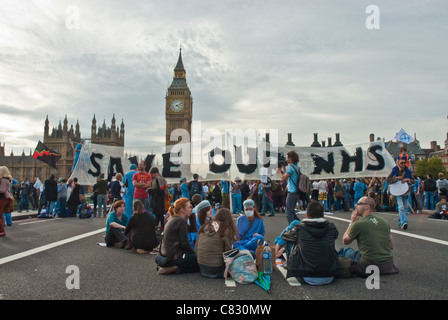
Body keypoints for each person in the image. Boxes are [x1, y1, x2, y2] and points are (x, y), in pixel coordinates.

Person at [281, 201, 339, 285]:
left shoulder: (299, 228)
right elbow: (335, 236)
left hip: (306, 275)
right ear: (323, 215)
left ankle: (291, 267)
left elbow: (284, 236)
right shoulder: (331, 227)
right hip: (329, 275)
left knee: (292, 242)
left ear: (307, 215)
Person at [339, 196, 399, 276]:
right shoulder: (384, 222)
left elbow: (345, 241)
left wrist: (352, 222)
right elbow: (391, 246)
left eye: (359, 204)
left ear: (367, 206)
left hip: (368, 265)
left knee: (345, 250)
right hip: (388, 265)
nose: (356, 205)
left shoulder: (358, 224)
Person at [156, 198, 199, 275]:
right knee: (200, 262)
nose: (191, 209)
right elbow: (185, 243)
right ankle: (175, 268)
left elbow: (192, 229)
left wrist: (191, 215)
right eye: (189, 207)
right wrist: (193, 254)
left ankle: (172, 268)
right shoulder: (180, 221)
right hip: (174, 257)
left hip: (166, 256)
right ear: (182, 209)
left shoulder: (174, 219)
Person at [195, 208, 239, 278]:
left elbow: (196, 248)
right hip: (216, 269)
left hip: (202, 267)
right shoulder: (225, 230)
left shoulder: (204, 227)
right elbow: (228, 253)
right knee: (250, 254)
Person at [386, 159, 413, 230]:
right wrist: (396, 178)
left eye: (404, 163)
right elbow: (387, 180)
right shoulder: (394, 171)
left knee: (405, 208)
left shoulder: (408, 171)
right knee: (401, 207)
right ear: (398, 164)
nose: (403, 164)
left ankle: (401, 221)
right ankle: (404, 222)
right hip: (397, 192)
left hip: (405, 191)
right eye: (401, 163)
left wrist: (407, 180)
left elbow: (414, 180)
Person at [276, 150, 301, 224]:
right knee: (292, 211)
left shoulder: (290, 167)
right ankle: (301, 225)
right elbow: (288, 178)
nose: (286, 159)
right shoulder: (296, 167)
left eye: (287, 157)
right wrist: (283, 167)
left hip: (292, 192)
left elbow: (283, 178)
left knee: (288, 212)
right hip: (296, 192)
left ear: (290, 158)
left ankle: (292, 227)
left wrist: (279, 171)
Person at [0, 166, 14, 237]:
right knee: (1, 215)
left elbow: (2, 190)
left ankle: (2, 231)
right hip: (7, 198)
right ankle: (2, 231)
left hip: (3, 198)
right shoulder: (8, 179)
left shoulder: (3, 180)